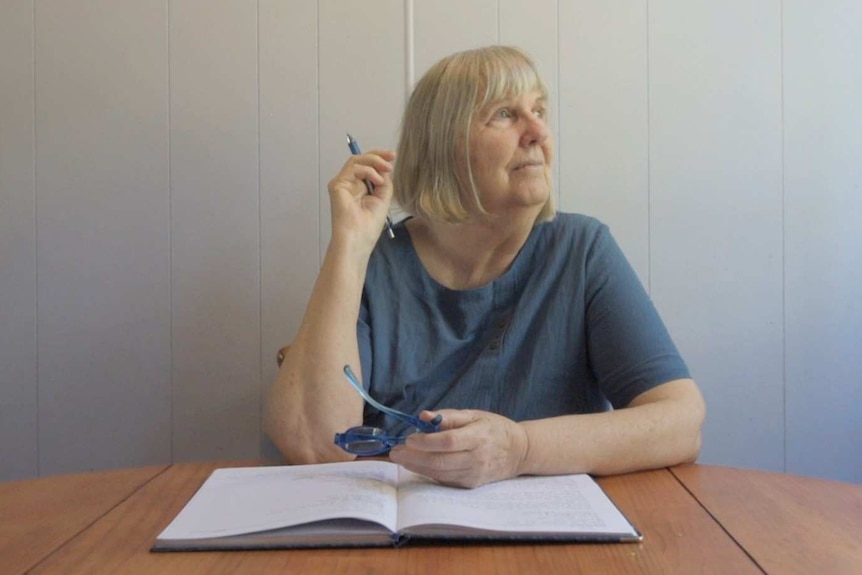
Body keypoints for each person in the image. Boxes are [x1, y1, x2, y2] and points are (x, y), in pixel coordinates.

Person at [264, 45, 705, 488]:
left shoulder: (582, 251)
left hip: (555, 540)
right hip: (399, 541)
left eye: (539, 110)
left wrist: (519, 449)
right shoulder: (377, 264)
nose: (538, 133)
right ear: (444, 146)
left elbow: (680, 422)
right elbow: (314, 444)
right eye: (505, 114)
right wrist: (350, 245)